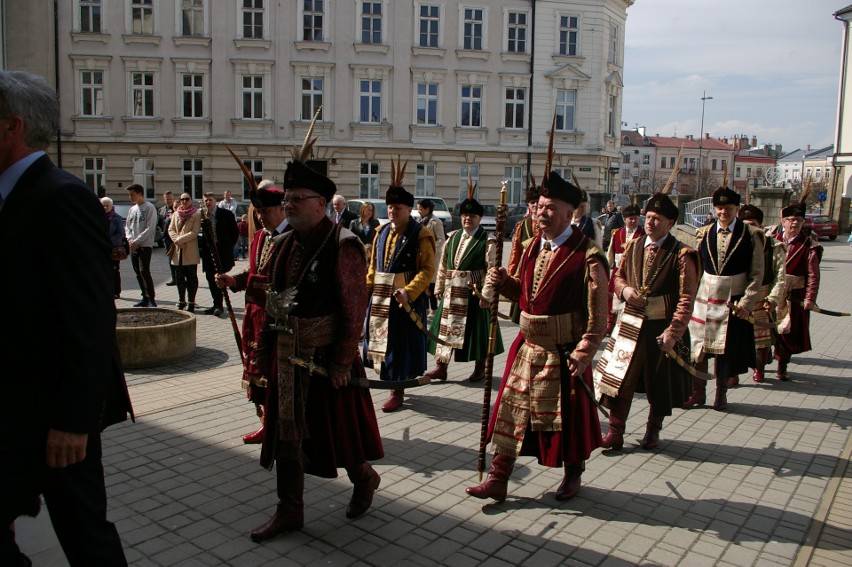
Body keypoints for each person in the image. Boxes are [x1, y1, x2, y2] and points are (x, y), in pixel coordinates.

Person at [0, 69, 133, 567]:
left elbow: (91, 319)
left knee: (84, 535)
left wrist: (75, 422)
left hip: (55, 420)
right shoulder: (13, 195)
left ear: (12, 127)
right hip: (16, 409)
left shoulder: (60, 196)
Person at [248, 147, 383, 542]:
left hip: (326, 362)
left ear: (321, 203)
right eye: (286, 199)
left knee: (338, 434)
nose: (287, 205)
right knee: (287, 435)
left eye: (296, 199)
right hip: (287, 360)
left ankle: (364, 478)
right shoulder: (285, 242)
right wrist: (262, 352)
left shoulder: (342, 244)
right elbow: (276, 299)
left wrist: (343, 362)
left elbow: (354, 310)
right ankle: (289, 510)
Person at [466, 170, 607, 503]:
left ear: (569, 213)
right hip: (527, 346)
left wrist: (585, 351)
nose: (541, 214)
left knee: (569, 423)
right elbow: (525, 295)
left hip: (564, 352)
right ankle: (498, 478)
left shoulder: (587, 255)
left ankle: (573, 473)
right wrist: (504, 282)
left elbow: (600, 314)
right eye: (539, 207)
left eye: (550, 208)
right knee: (510, 412)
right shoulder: (530, 246)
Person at [595, 192, 699, 451]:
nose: (650, 223)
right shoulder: (633, 245)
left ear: (670, 222)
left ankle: (653, 429)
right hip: (629, 324)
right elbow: (617, 277)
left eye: (657, 219)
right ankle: (616, 431)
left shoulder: (682, 254)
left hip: (660, 327)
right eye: (648, 217)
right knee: (620, 378)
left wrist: (674, 332)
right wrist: (625, 291)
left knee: (659, 382)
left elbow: (687, 298)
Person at [215, 184, 289, 445]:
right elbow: (253, 272)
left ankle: (284, 427)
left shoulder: (294, 238)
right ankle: (266, 423)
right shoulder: (259, 237)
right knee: (257, 373)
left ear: (282, 209)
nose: (260, 216)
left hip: (279, 321)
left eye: (265, 211)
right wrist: (232, 280)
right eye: (257, 212)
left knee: (277, 375)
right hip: (254, 316)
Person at [363, 160, 436, 412]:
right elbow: (373, 264)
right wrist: (367, 288)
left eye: (399, 208)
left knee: (401, 345)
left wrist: (410, 291)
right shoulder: (380, 231)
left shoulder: (421, 234)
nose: (393, 212)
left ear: (409, 209)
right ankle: (387, 381)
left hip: (406, 299)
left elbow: (428, 270)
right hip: (381, 298)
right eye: (390, 207)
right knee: (382, 343)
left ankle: (398, 390)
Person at [686, 186, 765, 411]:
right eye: (719, 208)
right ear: (714, 208)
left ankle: (721, 394)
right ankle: (698, 392)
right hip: (705, 298)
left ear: (736, 209)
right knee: (698, 348)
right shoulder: (703, 233)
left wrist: (747, 303)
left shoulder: (751, 235)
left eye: (728, 208)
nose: (723, 213)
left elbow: (757, 272)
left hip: (734, 300)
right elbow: (696, 268)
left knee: (726, 350)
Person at [424, 188, 503, 383]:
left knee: (477, 333)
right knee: (444, 330)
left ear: (479, 218)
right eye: (465, 215)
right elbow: (443, 265)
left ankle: (480, 368)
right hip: (451, 293)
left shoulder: (488, 240)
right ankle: (441, 367)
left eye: (472, 216)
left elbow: (492, 269)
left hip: (474, 295)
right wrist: (439, 287)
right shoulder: (453, 237)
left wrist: (486, 295)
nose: (468, 219)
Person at [768, 195, 822, 381]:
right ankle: (761, 363)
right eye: (790, 220)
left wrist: (810, 298)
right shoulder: (771, 240)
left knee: (788, 334)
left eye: (798, 220)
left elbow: (813, 275)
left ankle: (782, 366)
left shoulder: (809, 246)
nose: (794, 224)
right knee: (766, 330)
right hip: (770, 294)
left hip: (794, 296)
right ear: (783, 221)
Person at [738, 205, 787, 383]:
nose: (749, 229)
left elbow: (780, 277)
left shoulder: (773, 246)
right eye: (745, 225)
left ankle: (759, 369)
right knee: (735, 338)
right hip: (739, 298)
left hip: (762, 298)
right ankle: (732, 373)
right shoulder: (735, 243)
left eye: (753, 224)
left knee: (762, 339)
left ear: (761, 225)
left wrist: (773, 298)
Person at [199, 191, 239, 316]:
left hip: (221, 252)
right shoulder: (201, 216)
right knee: (210, 278)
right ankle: (217, 304)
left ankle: (222, 304)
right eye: (206, 200)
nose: (208, 202)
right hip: (208, 252)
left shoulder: (225, 214)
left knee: (220, 277)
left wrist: (227, 246)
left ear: (215, 201)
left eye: (210, 200)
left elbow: (234, 233)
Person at [605, 203, 642, 334]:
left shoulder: (643, 234)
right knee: (612, 297)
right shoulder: (617, 233)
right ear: (624, 219)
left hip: (634, 272)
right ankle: (610, 322)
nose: (633, 221)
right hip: (617, 270)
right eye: (630, 218)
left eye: (636, 218)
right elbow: (611, 251)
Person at [506, 184, 540, 323]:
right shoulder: (522, 225)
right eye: (532, 203)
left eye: (538, 202)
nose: (536, 205)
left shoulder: (550, 224)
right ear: (529, 205)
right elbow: (515, 253)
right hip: (526, 273)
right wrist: (510, 279)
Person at [124, 182, 158, 307]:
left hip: (144, 245)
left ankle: (151, 299)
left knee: (144, 271)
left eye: (132, 194)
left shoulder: (149, 207)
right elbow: (127, 226)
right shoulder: (132, 209)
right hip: (133, 245)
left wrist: (138, 241)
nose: (130, 197)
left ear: (139, 193)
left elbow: (150, 228)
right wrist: (130, 239)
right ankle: (144, 297)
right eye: (129, 195)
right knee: (137, 271)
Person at [168, 193, 202, 312]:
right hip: (178, 251)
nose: (184, 201)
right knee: (179, 278)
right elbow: (170, 229)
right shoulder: (176, 213)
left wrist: (180, 239)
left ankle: (191, 302)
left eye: (187, 199)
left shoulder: (196, 213)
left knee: (192, 278)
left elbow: (195, 231)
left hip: (190, 250)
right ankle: (181, 300)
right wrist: (176, 239)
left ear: (191, 200)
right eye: (182, 199)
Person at [417, 198, 446, 311]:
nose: (418, 211)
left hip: (432, 257)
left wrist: (432, 251)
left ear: (427, 209)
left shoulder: (436, 222)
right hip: (421, 257)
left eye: (420, 209)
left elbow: (441, 239)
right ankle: (425, 308)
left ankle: (434, 309)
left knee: (432, 283)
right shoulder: (420, 221)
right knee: (423, 282)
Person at [102, 197, 126, 299]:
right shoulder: (98, 217)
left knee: (114, 271)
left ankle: (116, 291)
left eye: (107, 205)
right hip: (102, 248)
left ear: (111, 206)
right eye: (103, 205)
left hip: (113, 249)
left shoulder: (116, 218)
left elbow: (120, 233)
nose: (105, 207)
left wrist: (108, 241)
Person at [158, 191, 177, 286]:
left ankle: (180, 278)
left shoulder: (176, 209)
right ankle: (174, 278)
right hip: (166, 239)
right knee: (170, 259)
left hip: (175, 238)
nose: (168, 200)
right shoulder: (161, 210)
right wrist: (162, 232)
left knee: (177, 259)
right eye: (167, 199)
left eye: (170, 199)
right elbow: (159, 223)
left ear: (173, 199)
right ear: (164, 199)